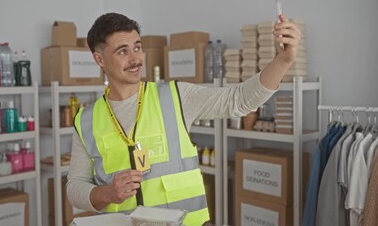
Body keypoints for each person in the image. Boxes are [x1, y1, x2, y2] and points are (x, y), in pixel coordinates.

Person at [67, 12, 301, 225]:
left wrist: (283, 60)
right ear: (100, 60)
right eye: (123, 51)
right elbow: (75, 187)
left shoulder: (175, 96)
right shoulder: (86, 120)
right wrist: (107, 194)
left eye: (137, 47)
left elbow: (239, 100)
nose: (135, 58)